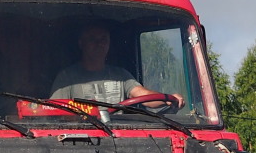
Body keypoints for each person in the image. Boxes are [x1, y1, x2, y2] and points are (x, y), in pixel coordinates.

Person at [49, 25, 184, 106]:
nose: (99, 43)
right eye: (92, 39)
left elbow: (143, 96)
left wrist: (167, 98)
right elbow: (56, 112)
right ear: (81, 43)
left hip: (116, 137)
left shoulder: (120, 75)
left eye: (103, 39)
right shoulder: (66, 78)